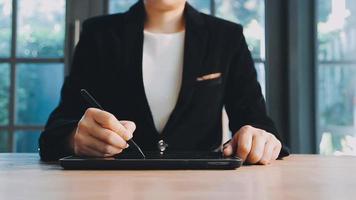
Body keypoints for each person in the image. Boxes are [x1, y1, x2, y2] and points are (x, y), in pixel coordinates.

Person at [39, 0, 289, 164]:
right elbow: (57, 128)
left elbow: (258, 122)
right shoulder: (99, 34)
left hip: (202, 187)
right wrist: (74, 137)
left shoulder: (227, 37)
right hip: (115, 188)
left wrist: (260, 138)